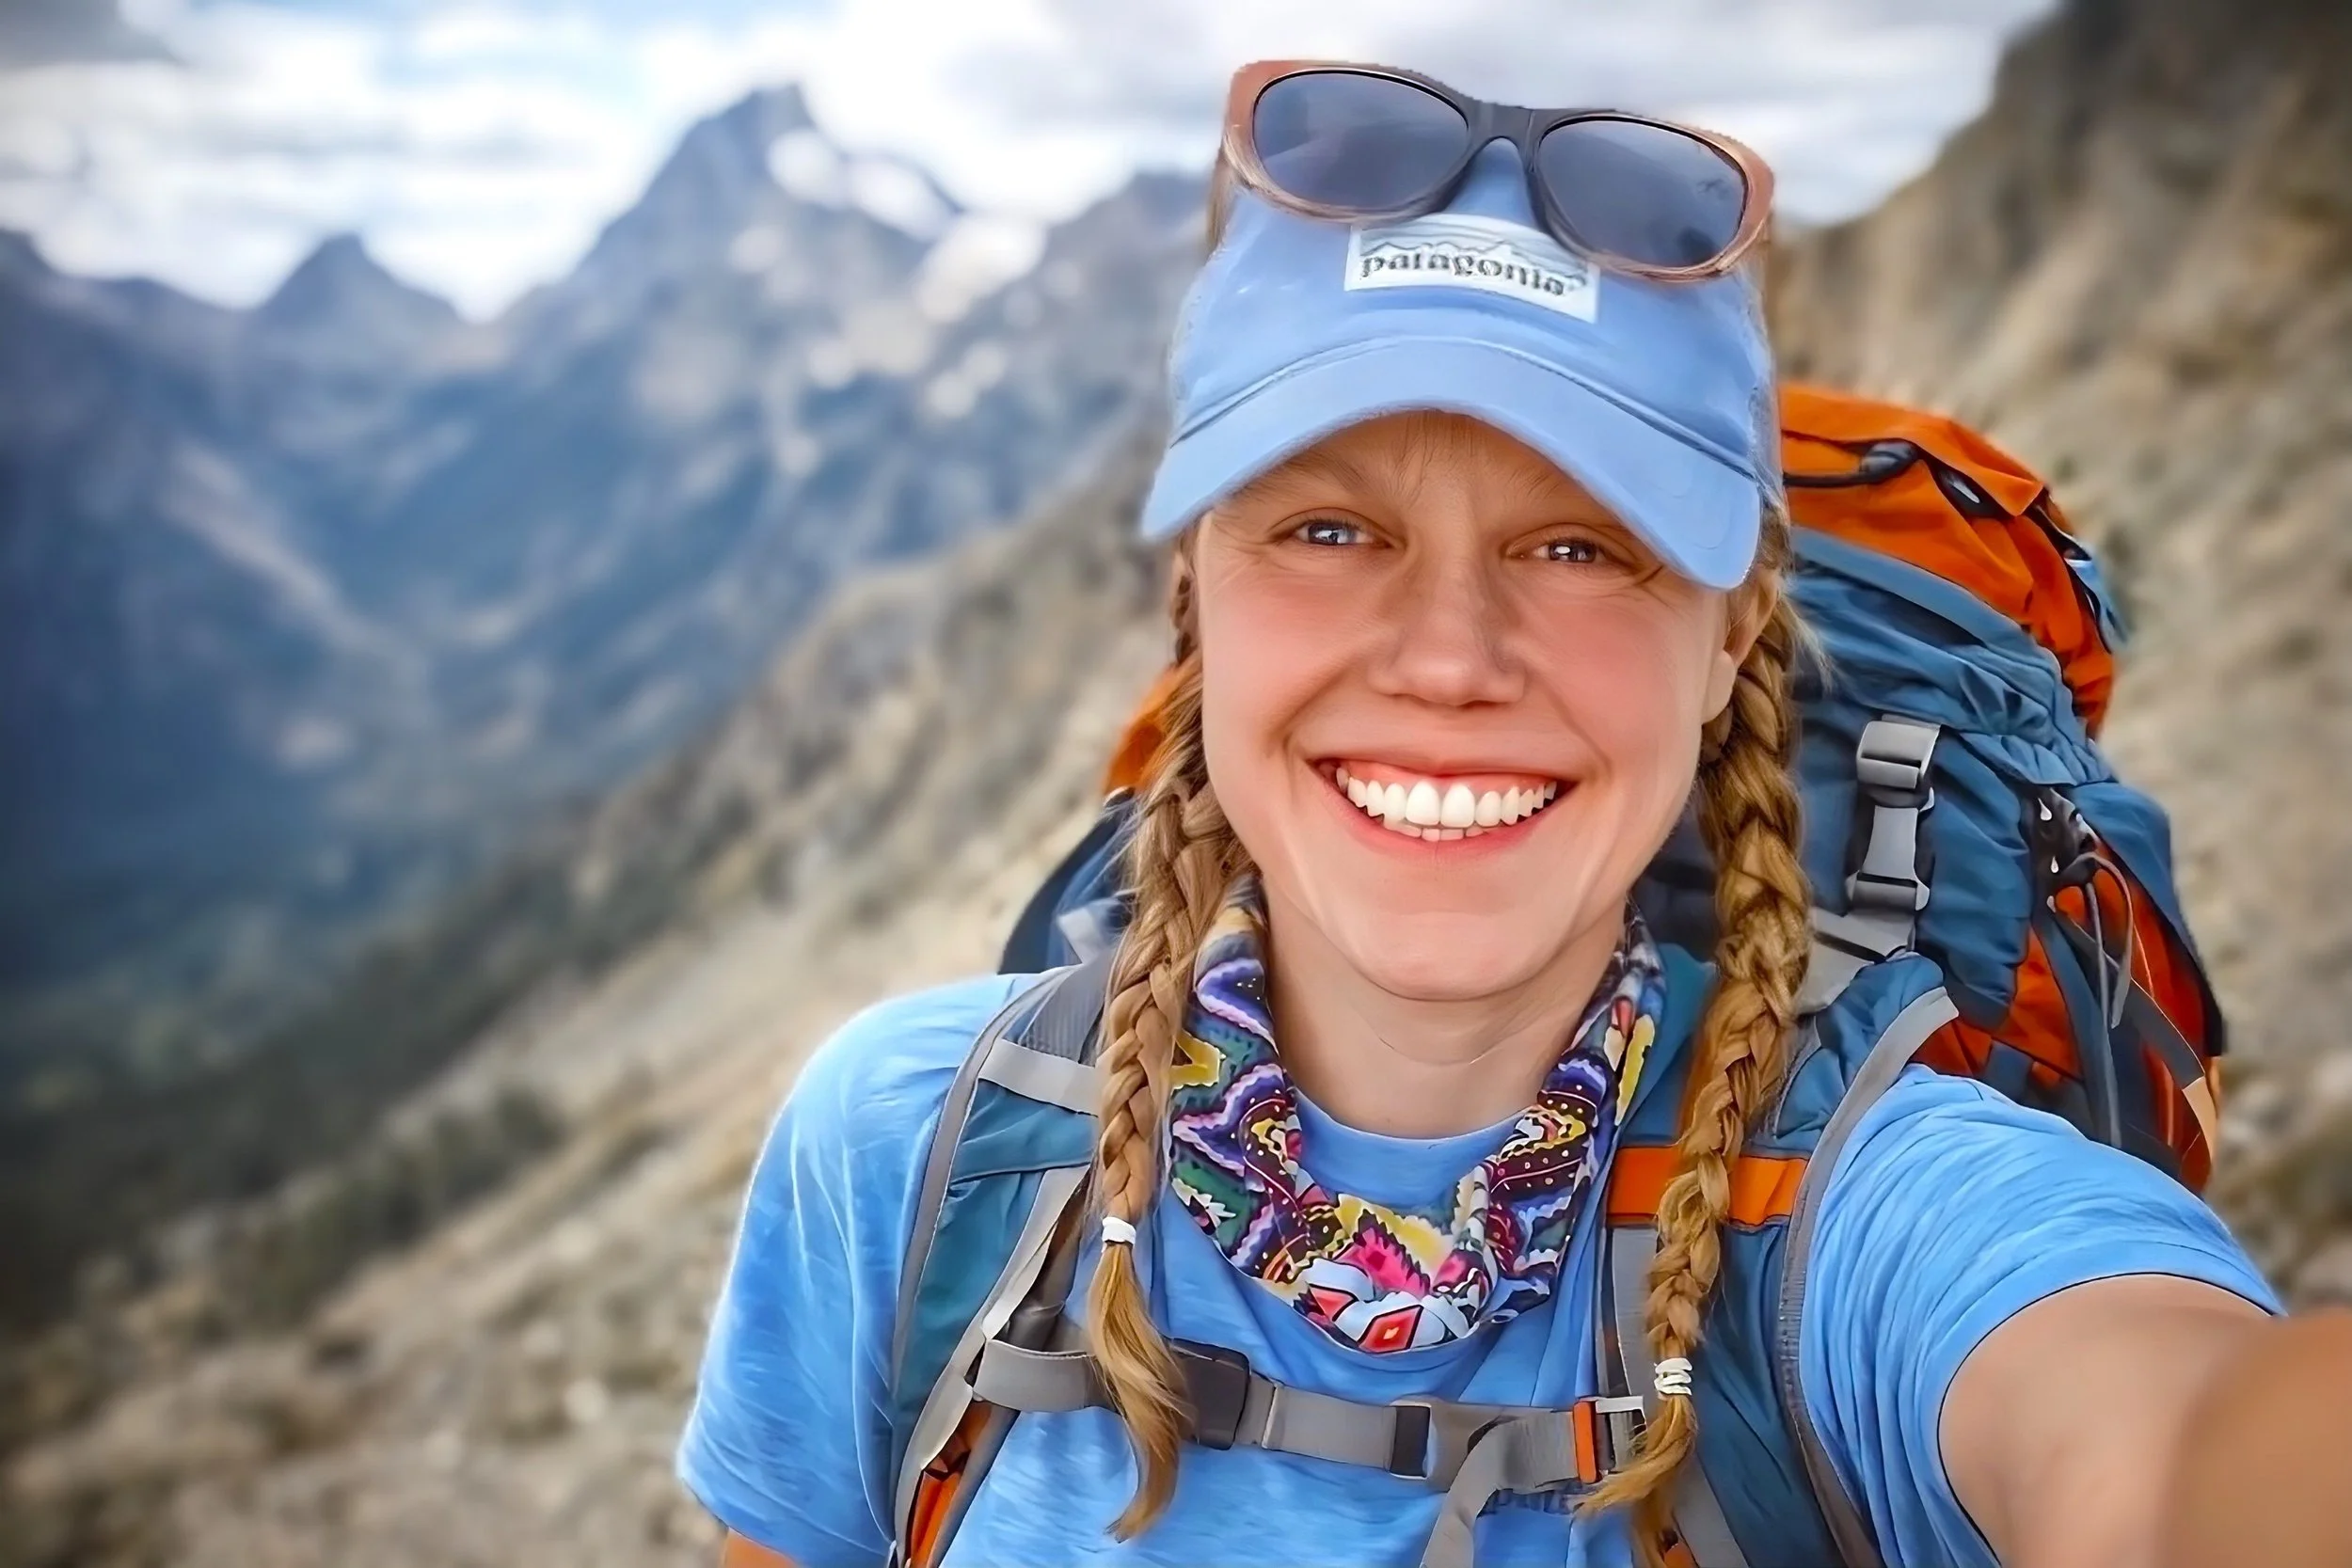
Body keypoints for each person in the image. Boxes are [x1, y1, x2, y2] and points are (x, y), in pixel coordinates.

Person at [677, 61, 2352, 1568]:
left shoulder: (1871, 1224)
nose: (1449, 658)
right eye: (1329, 529)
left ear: (1727, 644)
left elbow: (2163, 1442)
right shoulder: (910, 1147)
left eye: (1580, 545)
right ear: (1195, 603)